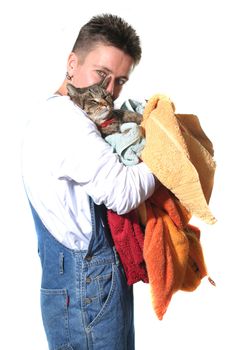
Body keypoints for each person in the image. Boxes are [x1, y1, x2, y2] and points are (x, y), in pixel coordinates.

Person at [21, 14, 156, 350]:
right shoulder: (66, 123)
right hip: (88, 286)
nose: (109, 92)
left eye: (121, 81)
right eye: (103, 74)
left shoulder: (66, 115)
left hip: (88, 282)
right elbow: (124, 193)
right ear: (72, 63)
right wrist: (166, 157)